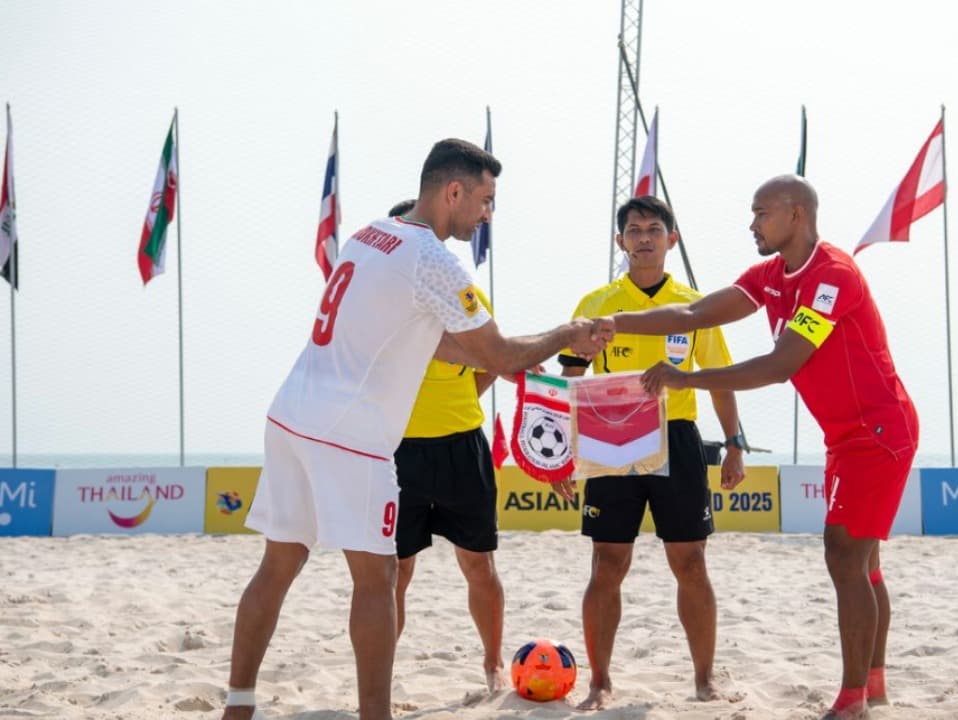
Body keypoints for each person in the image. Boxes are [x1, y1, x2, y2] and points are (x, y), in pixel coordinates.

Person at [220, 138, 613, 720]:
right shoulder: (433, 258)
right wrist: (567, 333)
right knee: (377, 579)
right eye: (484, 200)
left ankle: (238, 705)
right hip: (350, 433)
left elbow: (447, 345)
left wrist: (510, 353)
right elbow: (500, 352)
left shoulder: (370, 235)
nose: (487, 215)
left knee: (277, 566)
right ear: (453, 191)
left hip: (291, 412)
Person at [606, 175, 918, 720]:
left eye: (761, 213)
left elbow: (779, 366)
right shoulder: (770, 275)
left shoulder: (832, 276)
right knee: (862, 562)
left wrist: (687, 380)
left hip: (880, 432)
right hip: (846, 434)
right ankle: (874, 684)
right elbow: (690, 315)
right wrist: (610, 323)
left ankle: (852, 701)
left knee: (843, 553)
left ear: (796, 215)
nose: (752, 224)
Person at [549, 196, 747, 710]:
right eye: (633, 230)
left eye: (653, 229)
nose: (643, 237)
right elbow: (567, 378)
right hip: (608, 437)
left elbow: (721, 381)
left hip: (676, 437)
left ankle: (704, 678)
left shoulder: (695, 305)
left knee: (691, 562)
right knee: (607, 564)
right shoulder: (596, 304)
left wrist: (734, 444)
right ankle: (599, 681)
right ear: (620, 241)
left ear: (671, 239)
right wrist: (562, 452)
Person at [385, 198, 506, 693]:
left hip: (462, 447)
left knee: (478, 564)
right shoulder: (381, 302)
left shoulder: (461, 292)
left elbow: (493, 359)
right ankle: (382, 670)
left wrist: (457, 404)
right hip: (396, 450)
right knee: (395, 572)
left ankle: (493, 663)